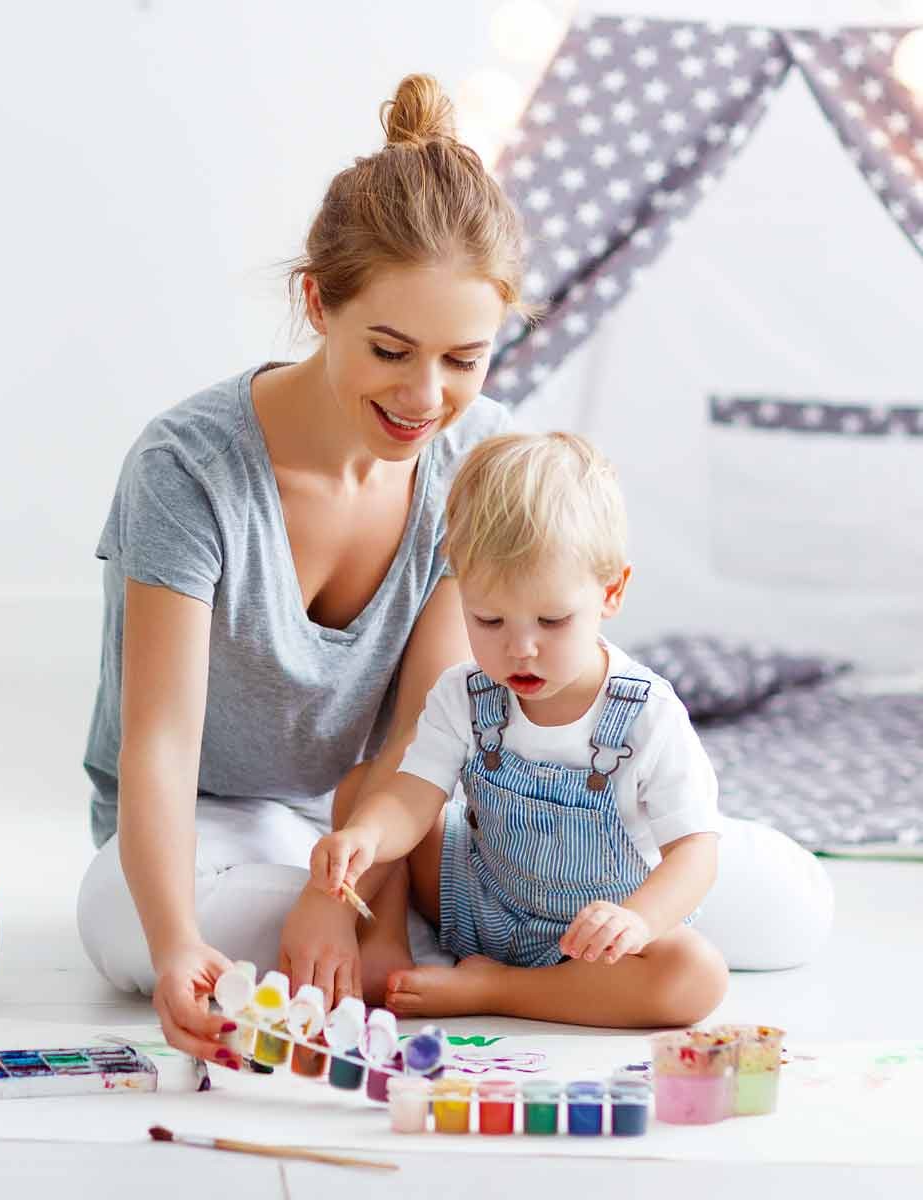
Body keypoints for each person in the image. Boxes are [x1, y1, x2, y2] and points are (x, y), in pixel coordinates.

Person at [74, 73, 832, 1071]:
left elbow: (426, 721)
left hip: (414, 821)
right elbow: (159, 749)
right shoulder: (188, 468)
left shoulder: (478, 452)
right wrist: (180, 946)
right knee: (122, 929)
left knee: (792, 909)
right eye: (391, 349)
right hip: (233, 818)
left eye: (464, 359)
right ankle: (474, 950)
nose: (426, 396)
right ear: (317, 302)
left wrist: (341, 893)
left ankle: (445, 950)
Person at [312, 432, 727, 1027]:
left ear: (611, 592)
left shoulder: (646, 714)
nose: (520, 649)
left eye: (552, 621)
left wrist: (638, 919)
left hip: (591, 944)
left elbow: (695, 855)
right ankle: (384, 941)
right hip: (478, 900)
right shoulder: (466, 693)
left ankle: (498, 991)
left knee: (695, 977)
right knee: (362, 792)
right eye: (488, 619)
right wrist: (369, 840)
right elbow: (412, 798)